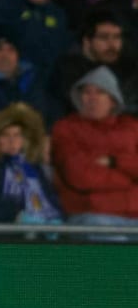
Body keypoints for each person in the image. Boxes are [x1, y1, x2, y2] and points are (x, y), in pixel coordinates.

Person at [52, 66, 138, 226]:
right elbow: (79, 176)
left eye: (100, 92)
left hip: (134, 214)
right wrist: (129, 179)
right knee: (111, 241)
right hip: (92, 214)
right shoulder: (66, 128)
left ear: (113, 100)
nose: (92, 98)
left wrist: (114, 161)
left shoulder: (132, 127)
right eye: (86, 92)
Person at [0, 102, 63, 223]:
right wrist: (14, 217)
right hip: (6, 233)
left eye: (17, 135)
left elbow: (50, 196)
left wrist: (58, 216)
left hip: (45, 225)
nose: (12, 140)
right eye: (5, 135)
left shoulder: (31, 164)